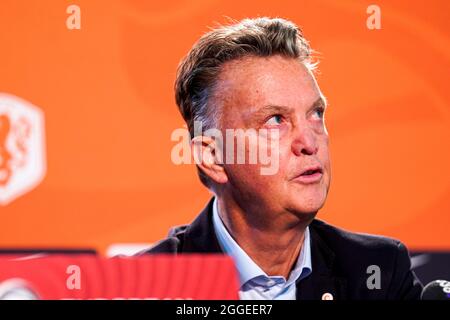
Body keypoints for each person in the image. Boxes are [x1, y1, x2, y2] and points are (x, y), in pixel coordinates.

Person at [143, 17, 422, 300]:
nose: (309, 142)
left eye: (315, 114)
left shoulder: (379, 273)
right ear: (213, 156)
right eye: (276, 120)